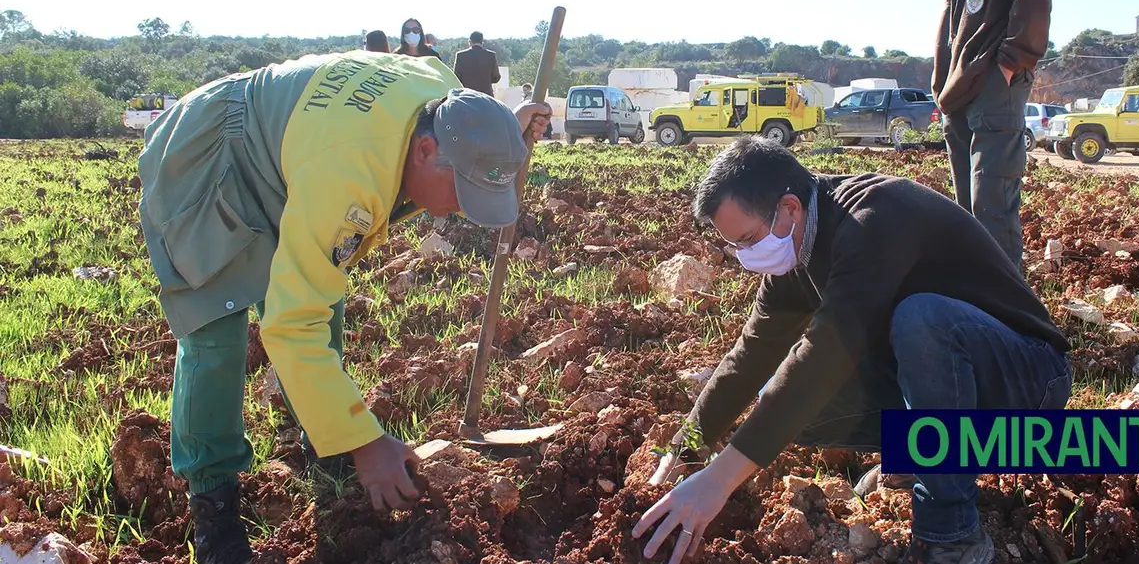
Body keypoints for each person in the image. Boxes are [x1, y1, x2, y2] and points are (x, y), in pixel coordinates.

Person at [136, 50, 551, 563]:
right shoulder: (351, 178)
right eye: (462, 191)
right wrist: (369, 444)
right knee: (217, 327)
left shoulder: (442, 95)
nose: (461, 211)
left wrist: (503, 135)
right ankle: (213, 503)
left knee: (321, 295)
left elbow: (463, 133)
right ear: (424, 151)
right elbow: (291, 324)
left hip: (293, 152)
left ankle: (326, 438)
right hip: (211, 149)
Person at [633, 136, 1071, 564]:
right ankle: (922, 453)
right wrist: (684, 449)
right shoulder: (795, 250)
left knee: (921, 320)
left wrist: (719, 481)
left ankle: (951, 535)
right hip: (953, 384)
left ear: (789, 207)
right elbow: (752, 354)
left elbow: (824, 355)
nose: (746, 256)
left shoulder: (877, 216)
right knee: (781, 398)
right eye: (736, 246)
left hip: (1028, 379)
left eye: (748, 239)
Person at [929, 0, 1052, 269]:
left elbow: (1032, 5)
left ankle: (1007, 313)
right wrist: (941, 82)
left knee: (992, 205)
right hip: (958, 93)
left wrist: (1009, 67)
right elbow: (953, 26)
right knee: (967, 207)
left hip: (994, 88)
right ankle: (976, 296)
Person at [453, 31, 502, 97]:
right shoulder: (491, 55)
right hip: (486, 96)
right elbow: (496, 77)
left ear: (469, 42)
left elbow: (456, 77)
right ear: (482, 42)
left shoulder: (460, 55)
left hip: (467, 96)